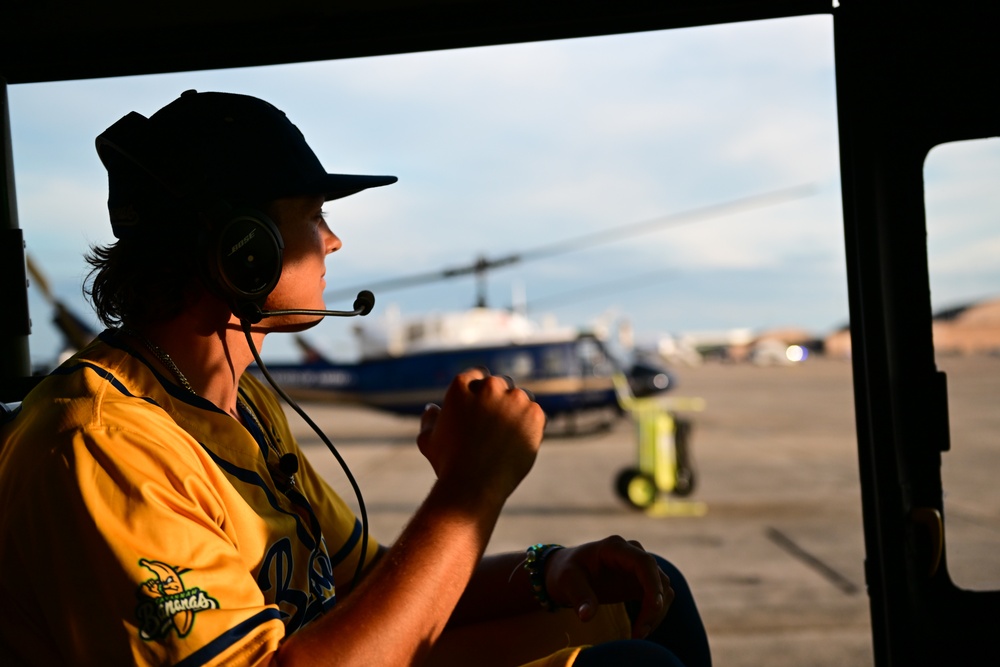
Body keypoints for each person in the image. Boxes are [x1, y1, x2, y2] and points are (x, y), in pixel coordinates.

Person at [0, 90, 711, 666]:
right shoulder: (99, 447)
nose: (334, 239)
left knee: (657, 597)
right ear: (243, 253)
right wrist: (469, 491)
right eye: (313, 215)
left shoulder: (239, 403)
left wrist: (549, 569)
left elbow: (371, 585)